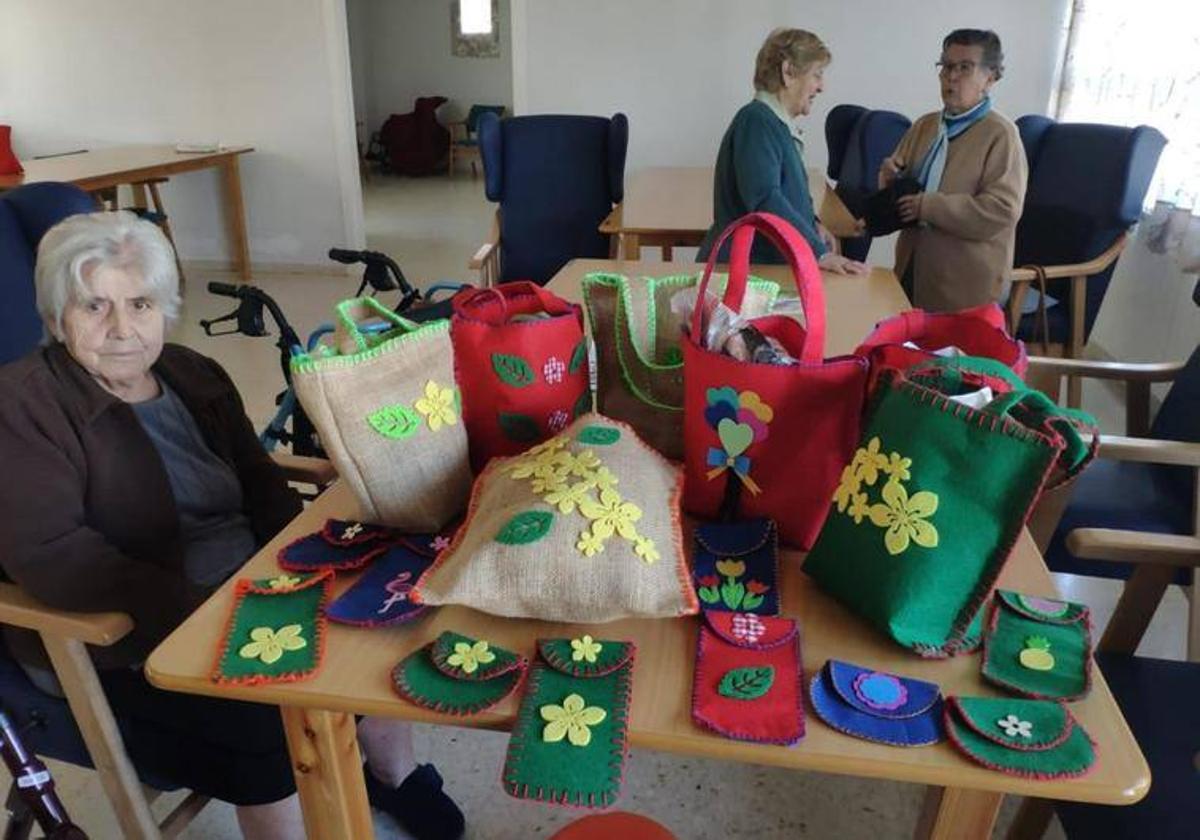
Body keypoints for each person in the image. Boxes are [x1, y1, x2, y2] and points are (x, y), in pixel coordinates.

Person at [0, 212, 463, 840]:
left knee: (377, 619)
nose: (122, 330)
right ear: (57, 316)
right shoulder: (23, 407)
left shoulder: (191, 372)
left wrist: (302, 564)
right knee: (268, 721)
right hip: (127, 633)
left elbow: (257, 477)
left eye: (140, 303)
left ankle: (391, 772)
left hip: (245, 587)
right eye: (94, 306)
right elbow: (52, 554)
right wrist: (206, 612)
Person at [879, 28, 1027, 311]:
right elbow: (901, 197)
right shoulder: (925, 125)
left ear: (990, 78)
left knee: (944, 356)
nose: (952, 76)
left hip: (965, 287)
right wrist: (889, 180)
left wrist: (930, 207)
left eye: (964, 68)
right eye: (946, 66)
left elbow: (1001, 210)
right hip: (913, 267)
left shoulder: (1002, 135)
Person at [698, 27, 868, 273]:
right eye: (817, 75)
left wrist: (813, 225)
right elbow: (765, 198)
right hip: (749, 272)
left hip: (765, 269)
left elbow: (788, 195)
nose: (822, 86)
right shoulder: (756, 121)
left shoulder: (773, 125)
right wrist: (818, 252)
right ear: (788, 72)